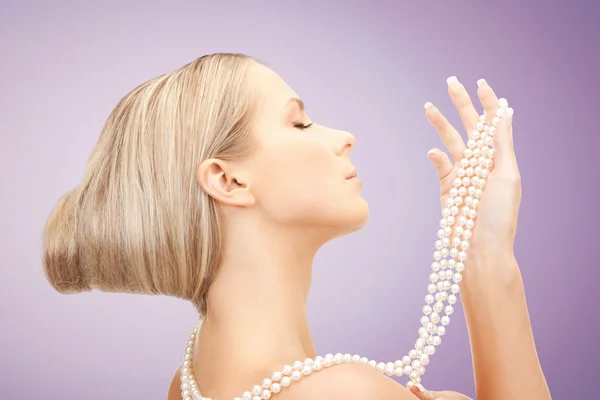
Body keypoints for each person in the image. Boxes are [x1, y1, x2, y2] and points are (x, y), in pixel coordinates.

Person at [42, 53, 551, 400]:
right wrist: (489, 259)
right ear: (228, 179)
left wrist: (477, 245)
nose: (343, 137)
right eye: (300, 122)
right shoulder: (345, 392)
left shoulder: (192, 379)